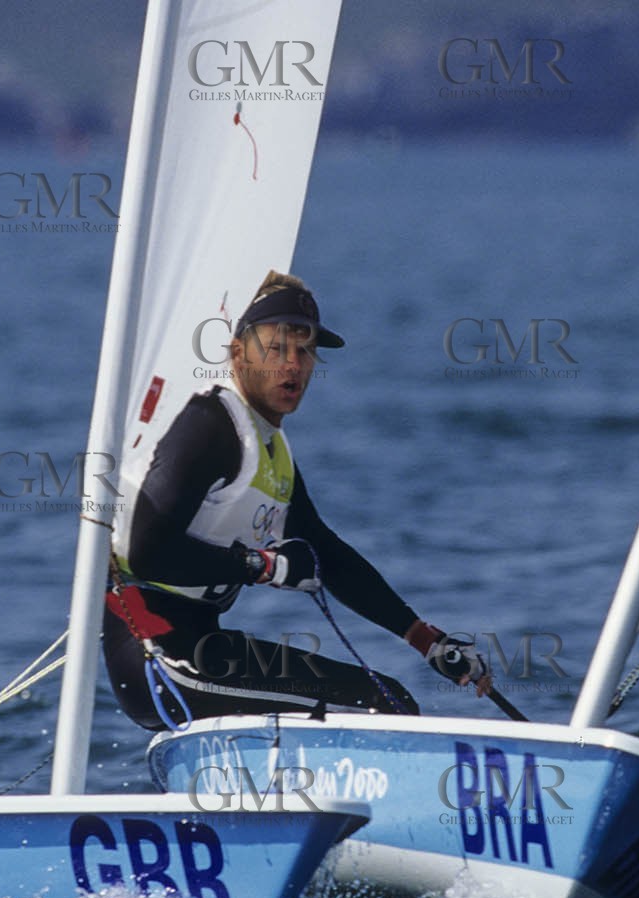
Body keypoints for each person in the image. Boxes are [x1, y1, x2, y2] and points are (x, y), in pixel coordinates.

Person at [104, 270, 492, 729]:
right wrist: (261, 566)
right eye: (277, 349)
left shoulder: (270, 448)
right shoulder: (208, 425)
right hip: (156, 656)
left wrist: (425, 639)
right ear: (237, 353)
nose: (293, 365)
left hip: (203, 643)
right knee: (384, 704)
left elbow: (327, 555)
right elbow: (147, 553)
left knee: (390, 697)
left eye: (305, 351)